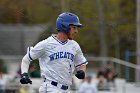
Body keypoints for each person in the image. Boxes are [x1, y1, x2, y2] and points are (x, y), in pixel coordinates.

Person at [20, 12, 88, 93]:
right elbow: (26, 59)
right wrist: (24, 74)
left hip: (66, 89)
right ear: (64, 26)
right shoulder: (46, 44)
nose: (76, 31)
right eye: (74, 27)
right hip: (50, 87)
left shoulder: (74, 45)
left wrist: (82, 71)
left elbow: (82, 63)